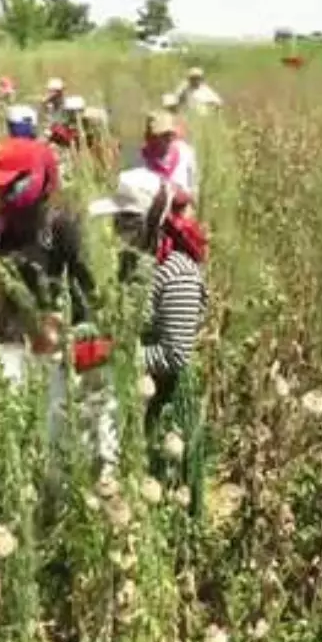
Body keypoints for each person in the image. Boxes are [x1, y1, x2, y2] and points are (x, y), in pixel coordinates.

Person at [0, 138, 113, 468]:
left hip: (59, 350)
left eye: (6, 188)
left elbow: (90, 295)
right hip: (11, 345)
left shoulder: (62, 226)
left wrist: (68, 329)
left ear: (31, 183)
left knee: (61, 443)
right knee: (12, 441)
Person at [87, 168, 209, 501]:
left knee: (162, 492)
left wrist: (114, 353)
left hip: (164, 401)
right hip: (135, 393)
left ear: (146, 222)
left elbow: (175, 354)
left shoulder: (178, 274)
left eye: (122, 222)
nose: (115, 230)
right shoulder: (136, 260)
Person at [139, 111, 199, 205]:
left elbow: (192, 188)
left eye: (170, 135)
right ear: (151, 137)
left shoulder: (185, 153)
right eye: (163, 136)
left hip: (179, 208)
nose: (168, 139)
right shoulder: (142, 158)